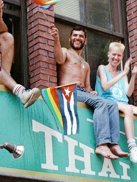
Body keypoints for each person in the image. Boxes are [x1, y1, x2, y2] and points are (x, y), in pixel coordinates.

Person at [50, 25, 128, 160]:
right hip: (67, 91)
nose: (77, 38)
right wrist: (56, 38)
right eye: (75, 35)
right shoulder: (65, 52)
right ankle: (101, 144)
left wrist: (92, 92)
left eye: (81, 36)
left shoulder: (86, 64)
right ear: (69, 38)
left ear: (85, 41)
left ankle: (114, 143)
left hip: (81, 92)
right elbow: (58, 59)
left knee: (112, 104)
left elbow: (87, 88)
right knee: (101, 103)